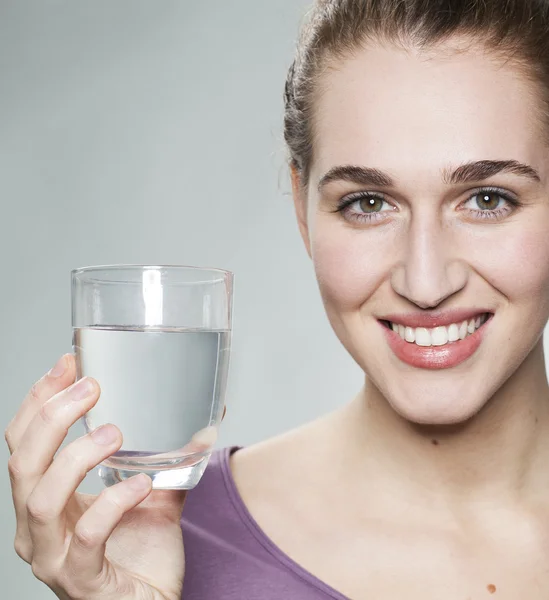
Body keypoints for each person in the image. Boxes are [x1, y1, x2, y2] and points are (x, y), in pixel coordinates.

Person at [7, 0, 549, 597]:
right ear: (301, 209)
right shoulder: (162, 540)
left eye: (489, 200)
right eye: (368, 203)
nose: (425, 283)